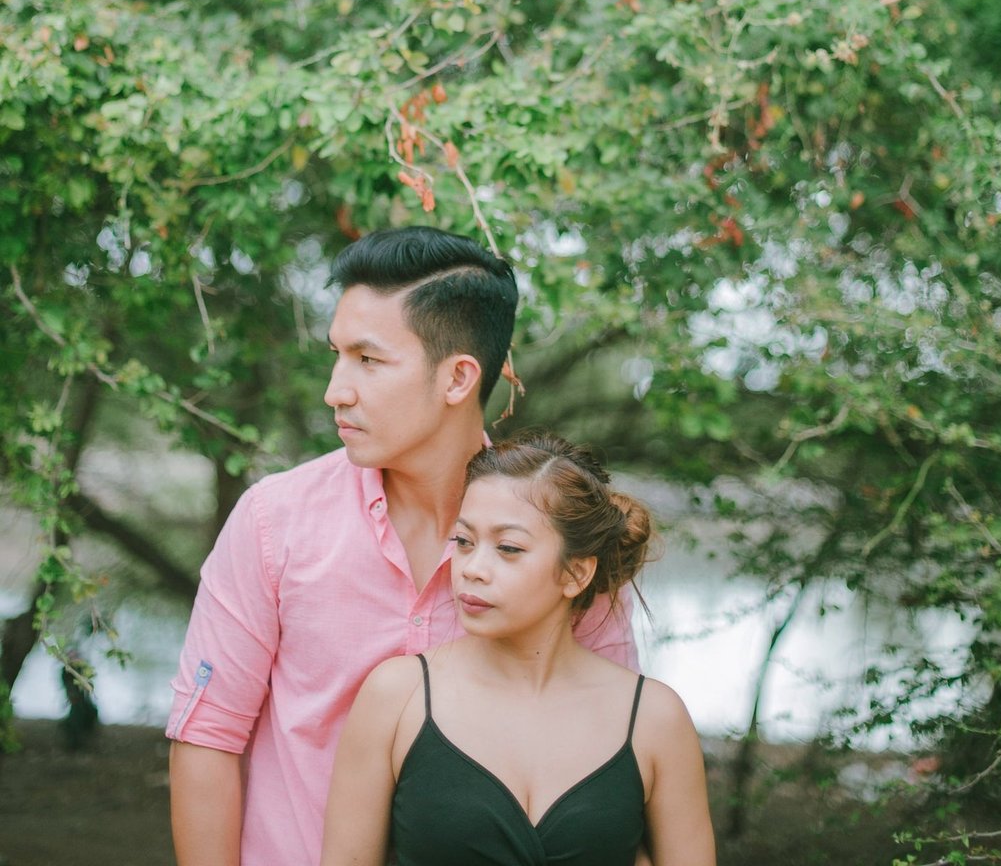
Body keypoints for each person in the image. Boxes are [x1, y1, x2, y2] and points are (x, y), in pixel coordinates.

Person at [166, 228, 639, 866]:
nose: (336, 390)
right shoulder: (273, 521)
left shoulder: (563, 541)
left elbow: (611, 751)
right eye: (337, 355)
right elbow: (207, 736)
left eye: (368, 359)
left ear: (458, 378)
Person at [320, 433, 716, 866]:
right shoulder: (396, 697)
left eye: (508, 548)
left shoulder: (656, 719)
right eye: (463, 541)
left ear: (576, 573)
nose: (472, 569)